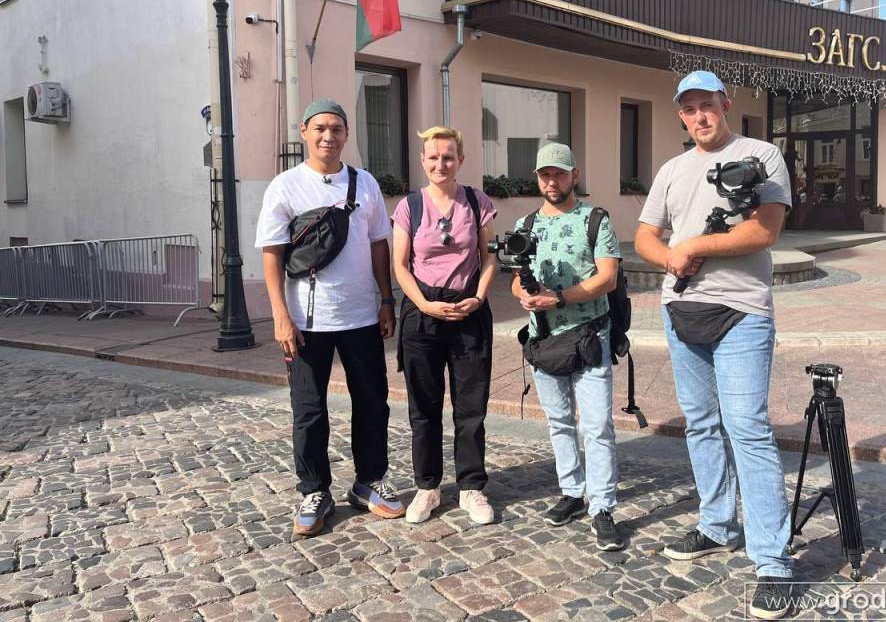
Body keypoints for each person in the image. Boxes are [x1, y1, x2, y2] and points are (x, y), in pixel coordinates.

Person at [634, 71, 794, 620]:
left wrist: (696, 244)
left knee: (747, 427)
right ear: (680, 114)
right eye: (690, 109)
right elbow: (644, 237)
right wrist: (670, 257)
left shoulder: (762, 155)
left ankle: (772, 560)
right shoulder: (672, 170)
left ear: (727, 105)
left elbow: (764, 231)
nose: (700, 116)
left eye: (708, 105)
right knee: (700, 423)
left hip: (742, 312)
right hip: (681, 311)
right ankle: (718, 523)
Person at [255, 98, 405, 538]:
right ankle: (314, 490)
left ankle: (368, 481)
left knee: (372, 403)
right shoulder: (285, 186)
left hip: (359, 314)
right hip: (305, 321)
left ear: (346, 134)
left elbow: (381, 243)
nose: (329, 136)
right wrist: (280, 316)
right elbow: (271, 254)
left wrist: (385, 299)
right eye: (320, 128)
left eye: (337, 129)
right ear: (304, 131)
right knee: (308, 409)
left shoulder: (366, 183)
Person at [512, 143, 625, 552]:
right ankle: (572, 492)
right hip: (544, 339)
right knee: (559, 422)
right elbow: (514, 277)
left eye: (559, 173)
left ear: (574, 175)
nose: (551, 181)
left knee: (596, 426)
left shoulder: (594, 220)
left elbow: (607, 278)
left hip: (588, 334)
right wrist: (526, 296)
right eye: (544, 174)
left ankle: (603, 505)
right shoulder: (525, 224)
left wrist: (558, 298)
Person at [391, 126, 499, 525]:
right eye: (433, 157)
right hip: (423, 312)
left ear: (460, 160)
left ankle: (471, 487)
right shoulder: (410, 206)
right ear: (423, 160)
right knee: (425, 406)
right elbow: (399, 266)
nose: (441, 163)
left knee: (471, 405)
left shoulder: (476, 201)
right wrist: (424, 305)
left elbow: (489, 257)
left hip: (468, 310)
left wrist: (480, 296)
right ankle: (428, 486)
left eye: (448, 156)